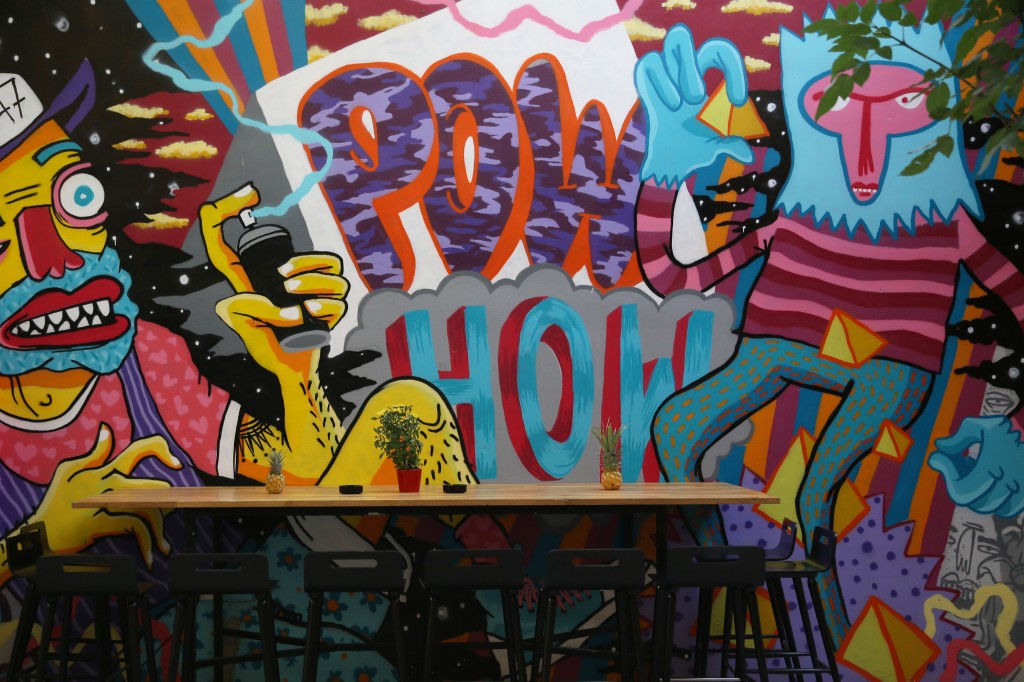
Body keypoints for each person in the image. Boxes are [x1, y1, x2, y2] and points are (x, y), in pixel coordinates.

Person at [633, 22, 1024, 639]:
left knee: (812, 495)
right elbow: (672, 276)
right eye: (839, 103)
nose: (866, 142)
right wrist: (662, 173)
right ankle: (719, 572)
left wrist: (1012, 415)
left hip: (891, 362)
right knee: (675, 428)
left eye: (901, 102)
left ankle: (833, 643)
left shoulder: (946, 221)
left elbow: (1015, 297)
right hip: (778, 344)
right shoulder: (789, 218)